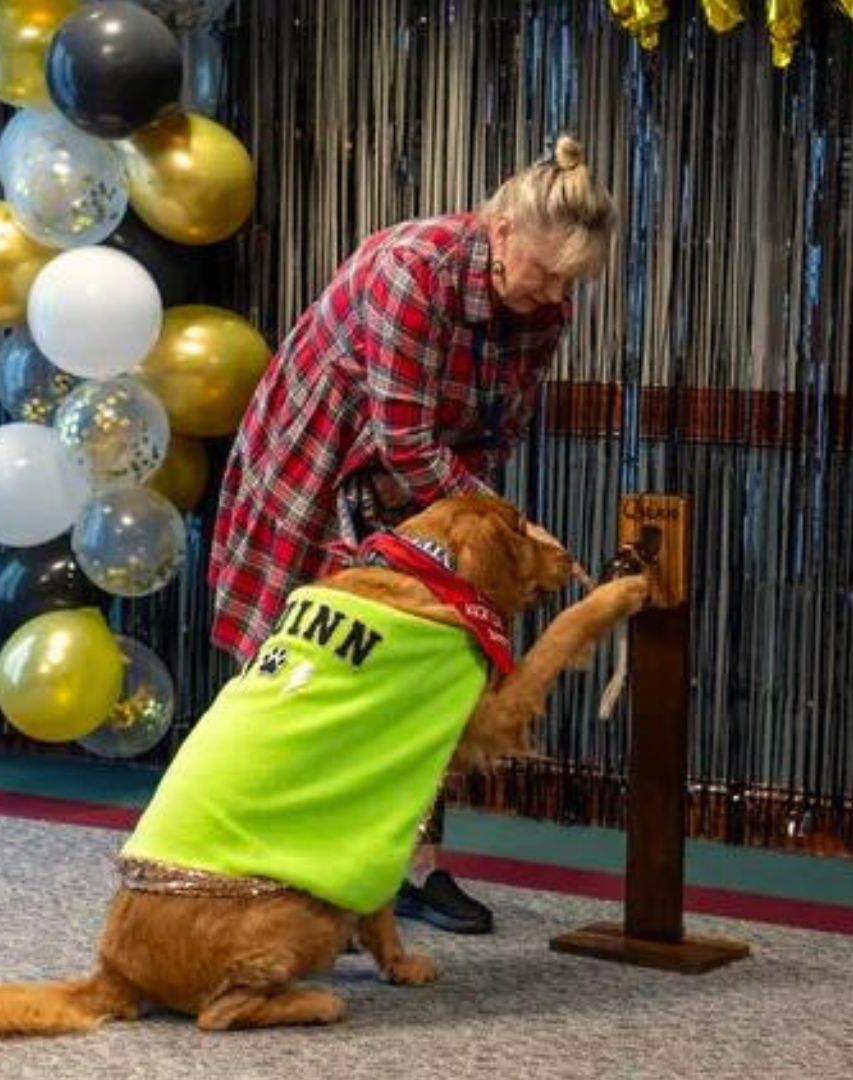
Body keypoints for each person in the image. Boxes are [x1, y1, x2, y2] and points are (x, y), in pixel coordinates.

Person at [209, 134, 617, 935]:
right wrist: (509, 525)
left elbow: (498, 427)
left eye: (571, 279)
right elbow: (403, 439)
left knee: (424, 666)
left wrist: (480, 533)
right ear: (499, 230)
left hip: (429, 490)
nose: (554, 292)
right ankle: (270, 857)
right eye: (544, 270)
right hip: (323, 469)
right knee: (313, 670)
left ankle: (413, 868)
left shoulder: (545, 300)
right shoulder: (413, 269)